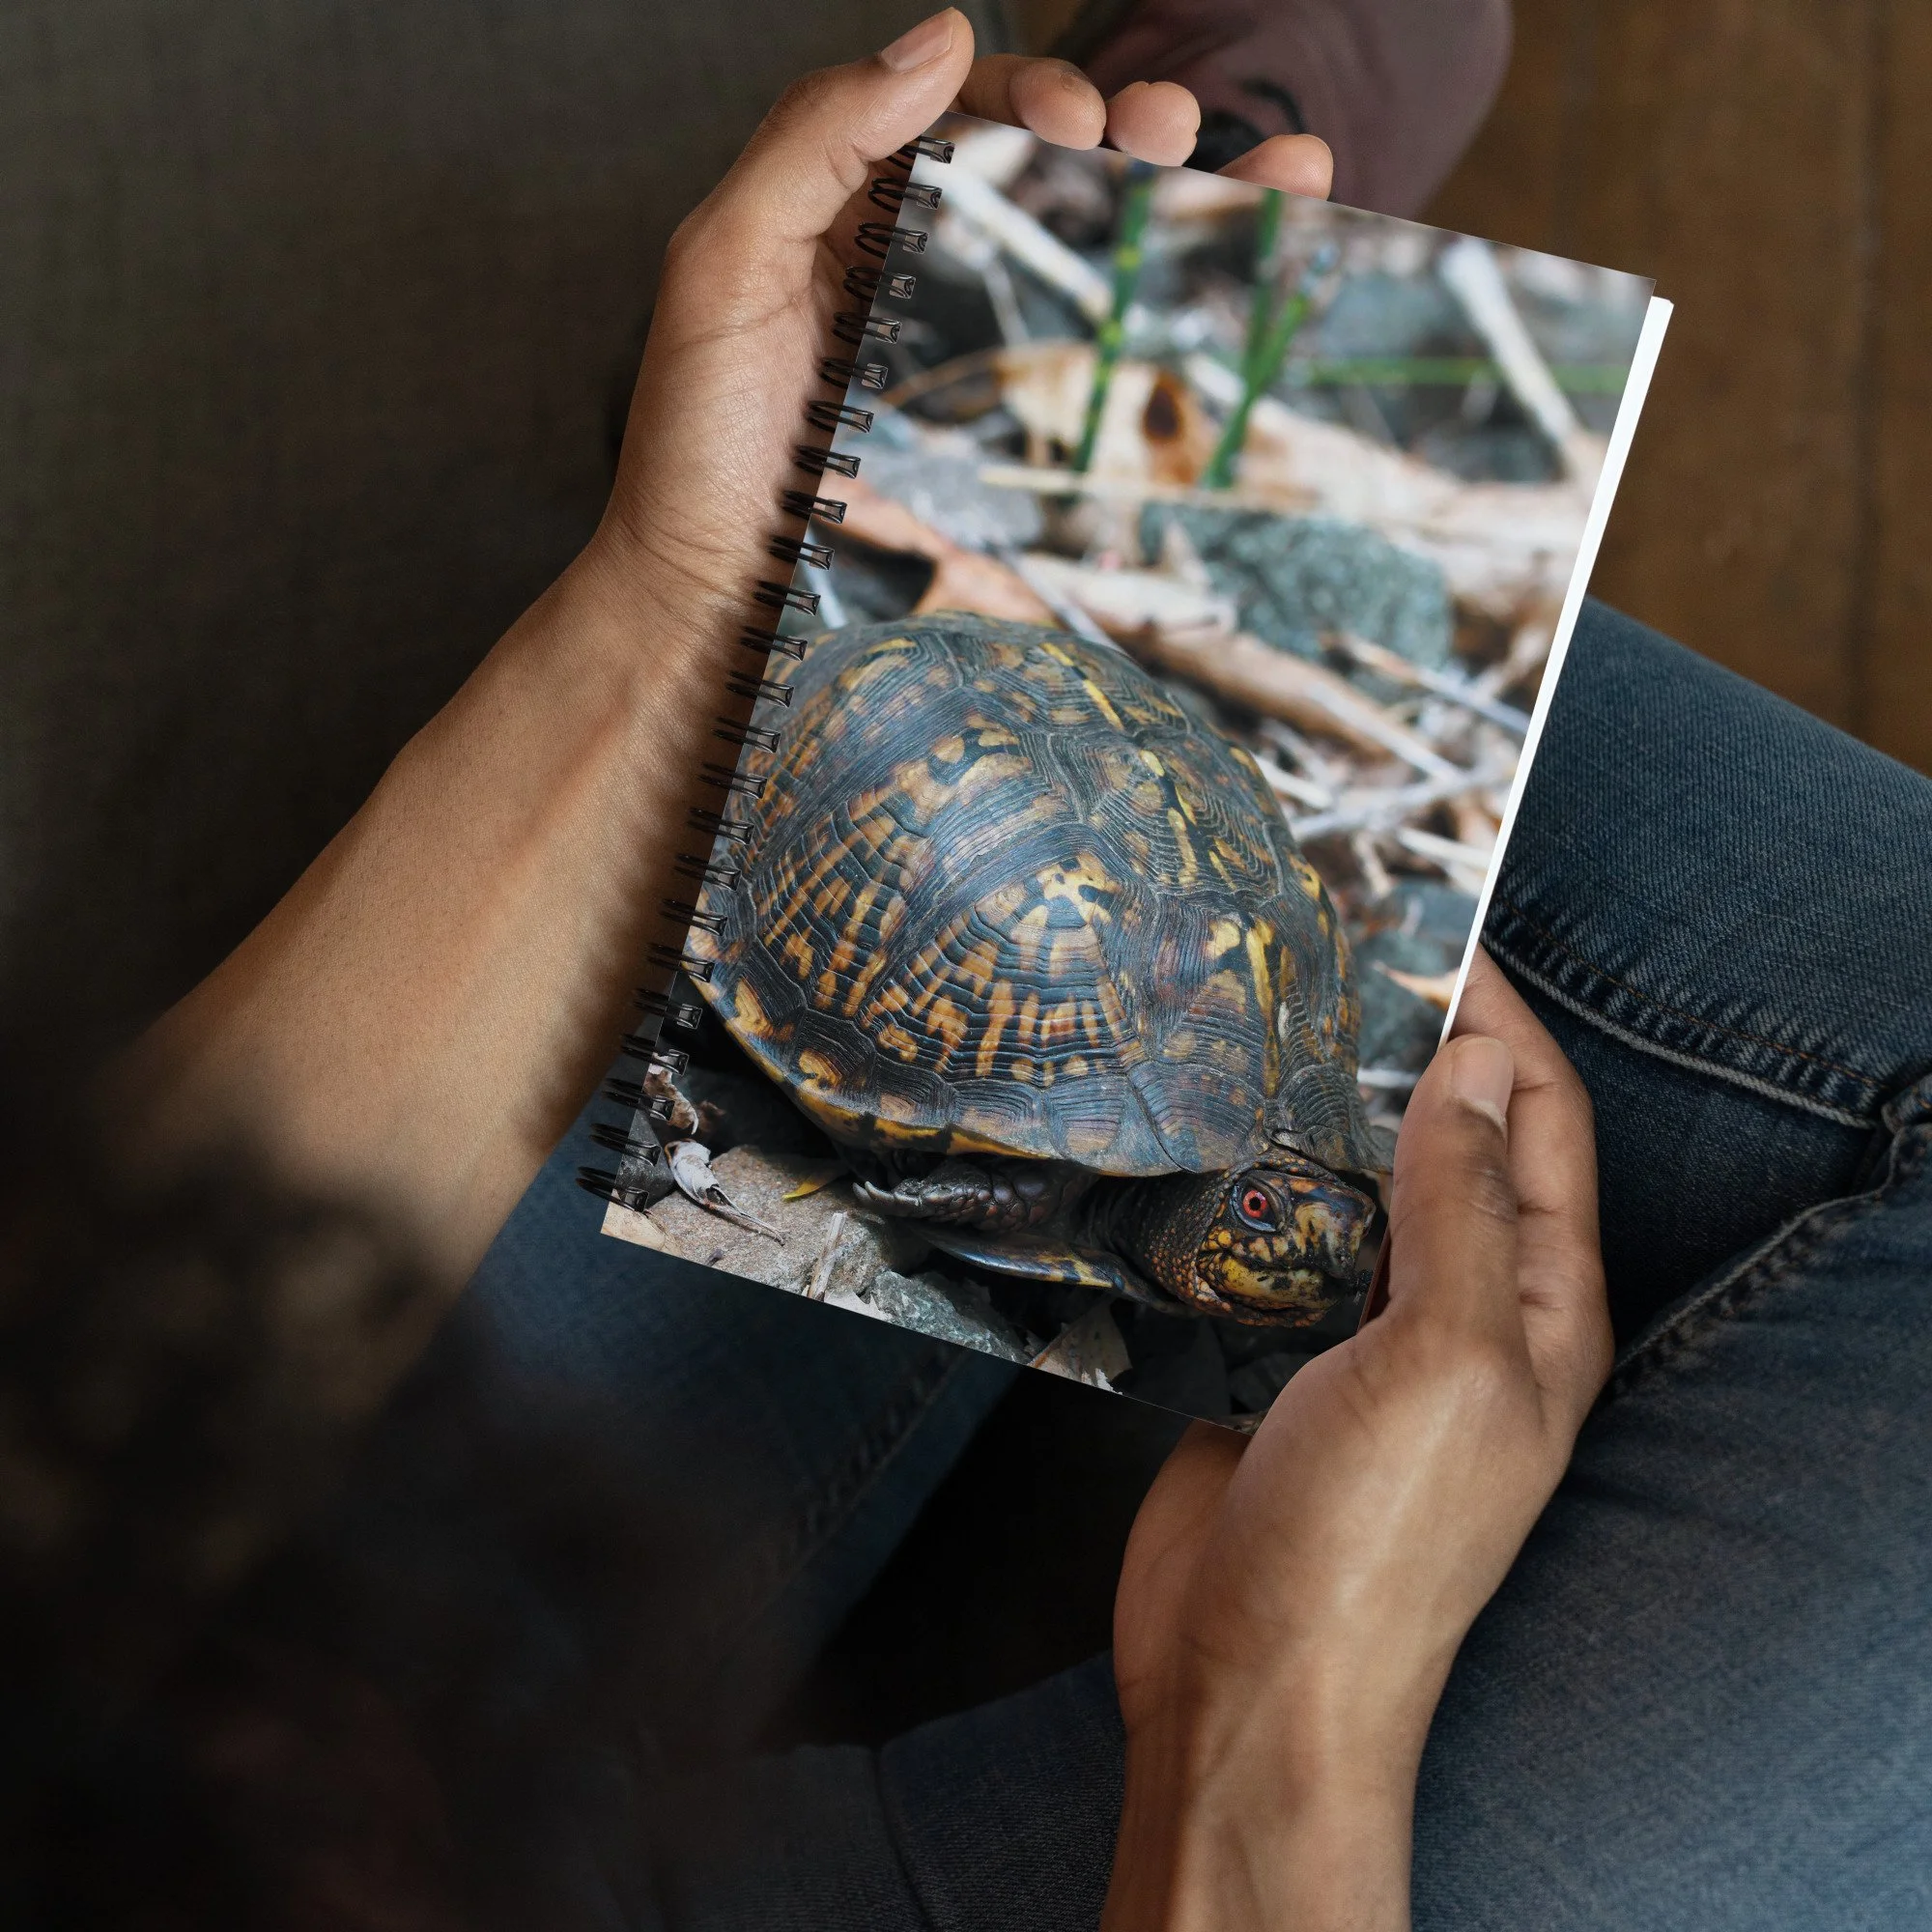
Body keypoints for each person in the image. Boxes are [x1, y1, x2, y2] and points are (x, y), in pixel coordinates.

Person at [6, 14, 1930, 1930]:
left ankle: (912, 472)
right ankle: (1043, 414)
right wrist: (1270, 1734)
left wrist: (674, 612)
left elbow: (68, 1453)